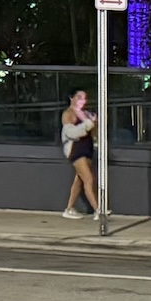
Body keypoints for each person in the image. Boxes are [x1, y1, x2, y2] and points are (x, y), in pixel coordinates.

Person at [59, 88, 98, 220]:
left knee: (79, 180)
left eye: (84, 98)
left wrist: (93, 125)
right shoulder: (68, 114)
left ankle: (69, 209)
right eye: (79, 97)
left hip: (87, 149)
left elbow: (92, 131)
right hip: (76, 150)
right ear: (72, 98)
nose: (83, 101)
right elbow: (72, 133)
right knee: (89, 179)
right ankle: (98, 210)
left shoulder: (85, 114)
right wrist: (88, 125)